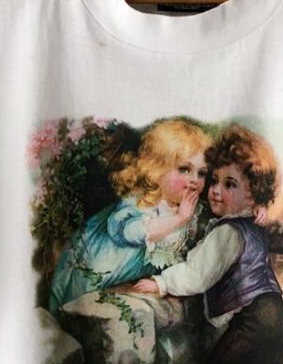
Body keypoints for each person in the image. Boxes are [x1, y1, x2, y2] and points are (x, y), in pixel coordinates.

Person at [129, 124, 283, 364]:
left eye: (229, 184)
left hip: (254, 320)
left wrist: (161, 283)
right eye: (215, 181)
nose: (215, 190)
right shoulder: (253, 227)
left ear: (252, 196)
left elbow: (197, 275)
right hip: (278, 316)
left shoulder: (226, 232)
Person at [47, 118, 211, 313]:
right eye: (184, 169)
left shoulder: (194, 211)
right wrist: (178, 219)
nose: (194, 180)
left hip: (131, 281)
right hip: (100, 268)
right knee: (77, 307)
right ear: (157, 170)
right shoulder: (142, 201)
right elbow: (126, 232)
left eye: (202, 173)